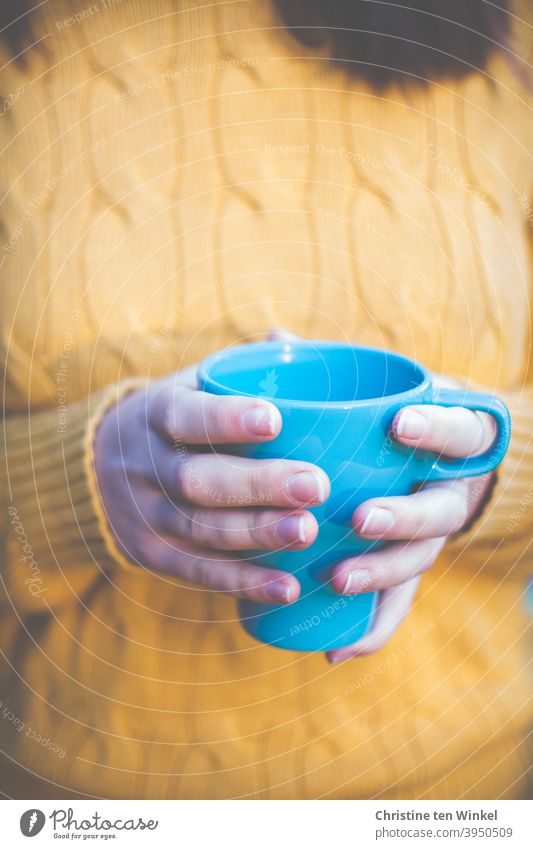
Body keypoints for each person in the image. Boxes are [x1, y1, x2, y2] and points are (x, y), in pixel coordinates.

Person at [0, 0, 531, 799]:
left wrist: (485, 470)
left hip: (470, 787)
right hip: (89, 797)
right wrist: (73, 488)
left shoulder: (510, 43)